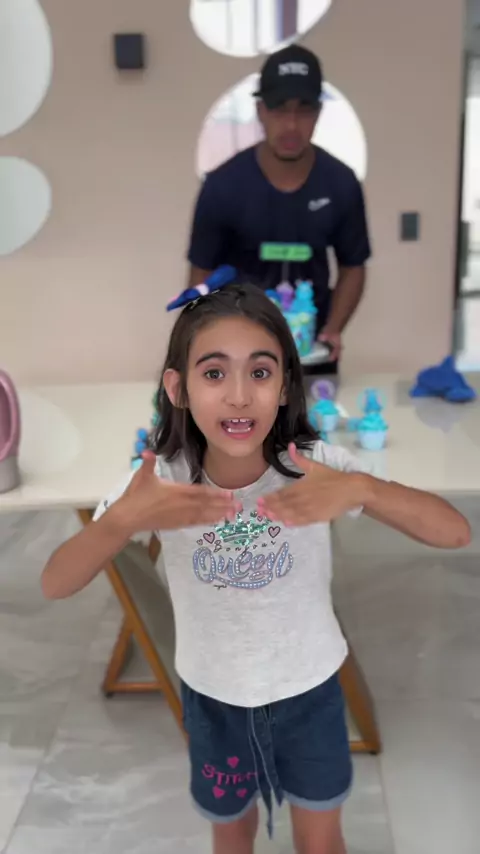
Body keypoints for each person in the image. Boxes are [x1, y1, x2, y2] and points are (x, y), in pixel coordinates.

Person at [41, 282, 470, 854]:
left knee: (321, 841)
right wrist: (120, 521)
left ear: (285, 385)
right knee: (231, 833)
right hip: (213, 699)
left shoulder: (316, 466)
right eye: (215, 373)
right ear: (178, 388)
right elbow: (55, 583)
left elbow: (454, 532)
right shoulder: (162, 482)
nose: (240, 396)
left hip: (310, 690)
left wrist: (362, 488)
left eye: (261, 372)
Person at [187, 43, 371, 373]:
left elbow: (353, 266)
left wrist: (333, 329)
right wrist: (206, 339)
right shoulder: (223, 185)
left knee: (314, 408)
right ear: (260, 111)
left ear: (318, 112)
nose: (291, 125)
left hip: (309, 349)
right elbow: (201, 271)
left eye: (304, 110)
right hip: (239, 353)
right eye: (279, 110)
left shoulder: (341, 183)